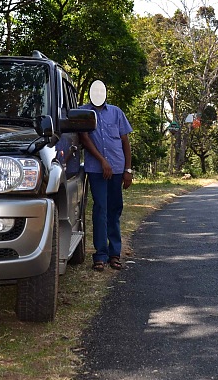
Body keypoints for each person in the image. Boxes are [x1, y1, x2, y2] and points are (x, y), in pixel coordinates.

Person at [79, 80, 133, 271]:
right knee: (100, 209)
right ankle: (100, 255)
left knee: (114, 209)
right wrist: (102, 161)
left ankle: (114, 254)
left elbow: (125, 141)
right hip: (96, 169)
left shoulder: (116, 112)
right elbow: (84, 139)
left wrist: (128, 170)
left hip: (117, 169)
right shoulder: (84, 112)